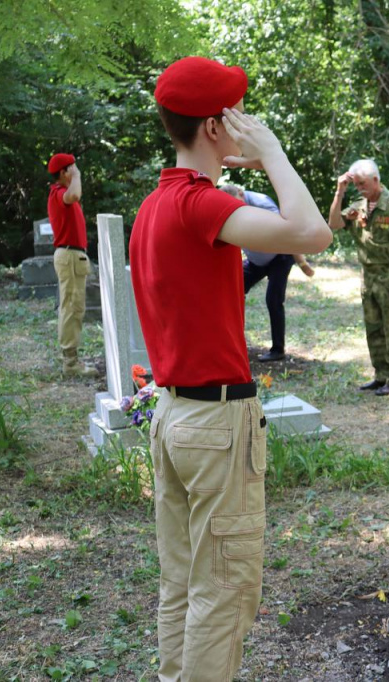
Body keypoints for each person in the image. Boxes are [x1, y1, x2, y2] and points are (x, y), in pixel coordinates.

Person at [129, 56, 333, 681]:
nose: (248, 121)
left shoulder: (156, 204)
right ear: (216, 127)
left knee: (184, 582)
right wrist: (271, 150)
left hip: (173, 415)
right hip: (216, 424)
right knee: (224, 592)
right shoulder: (198, 203)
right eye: (238, 114)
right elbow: (311, 232)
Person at [328, 159, 389, 396]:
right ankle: (381, 375)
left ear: (376, 180)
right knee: (373, 328)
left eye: (363, 184)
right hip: (368, 276)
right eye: (356, 184)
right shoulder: (358, 205)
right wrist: (340, 192)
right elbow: (334, 223)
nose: (360, 188)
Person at [220, 184, 316, 362]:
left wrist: (301, 262)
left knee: (273, 300)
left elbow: (287, 231)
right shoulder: (226, 206)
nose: (234, 209)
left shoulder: (261, 203)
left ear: (241, 193)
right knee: (230, 292)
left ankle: (278, 350)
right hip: (256, 260)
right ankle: (231, 345)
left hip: (279, 257)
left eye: (236, 203)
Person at [47, 153, 98, 377]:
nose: (77, 173)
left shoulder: (61, 194)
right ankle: (71, 363)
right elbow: (75, 194)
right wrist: (76, 176)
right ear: (63, 173)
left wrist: (74, 173)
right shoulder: (59, 193)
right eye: (72, 169)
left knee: (73, 307)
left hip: (72, 256)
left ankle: (71, 360)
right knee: (71, 308)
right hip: (69, 256)